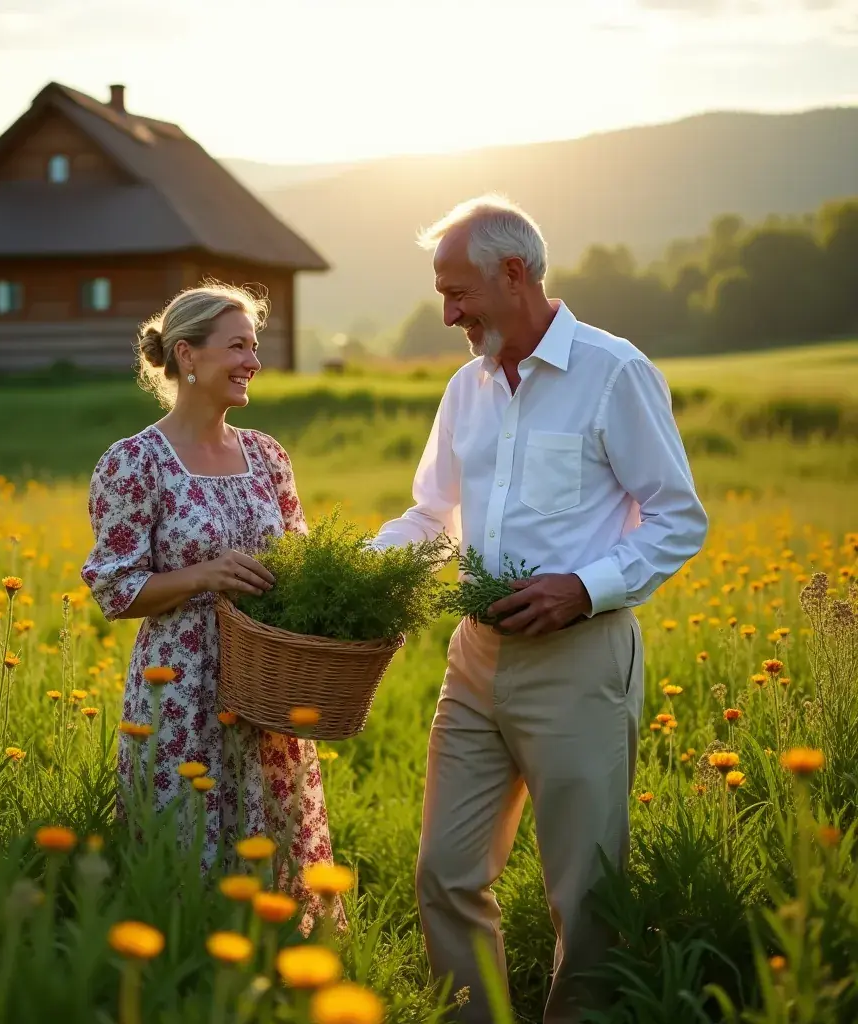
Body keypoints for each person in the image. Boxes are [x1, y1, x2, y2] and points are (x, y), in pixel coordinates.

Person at [370, 196, 708, 1023]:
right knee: (446, 875)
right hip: (474, 661)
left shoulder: (613, 371)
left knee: (586, 896)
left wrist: (582, 586)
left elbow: (678, 518)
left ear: (514, 273)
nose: (448, 313)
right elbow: (429, 513)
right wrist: (353, 571)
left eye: (459, 293)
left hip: (581, 663)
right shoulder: (465, 388)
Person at [80, 282, 337, 903]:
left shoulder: (268, 457)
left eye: (255, 346)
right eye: (237, 346)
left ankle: (277, 976)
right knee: (184, 851)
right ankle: (183, 971)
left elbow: (299, 559)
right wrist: (204, 576)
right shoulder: (135, 462)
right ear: (187, 357)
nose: (253, 361)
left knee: (272, 847)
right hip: (180, 689)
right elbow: (116, 589)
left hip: (266, 684)